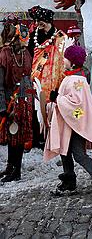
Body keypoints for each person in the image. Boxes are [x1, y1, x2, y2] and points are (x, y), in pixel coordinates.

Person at [44, 44, 92, 202]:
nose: (63, 61)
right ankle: (69, 180)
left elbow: (76, 104)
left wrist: (58, 99)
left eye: (66, 58)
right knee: (65, 151)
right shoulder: (72, 77)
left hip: (75, 125)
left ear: (73, 62)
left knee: (79, 155)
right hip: (68, 124)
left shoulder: (77, 80)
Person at [0, 20, 34, 182]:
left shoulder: (26, 53)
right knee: (11, 135)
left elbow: (28, 77)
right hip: (9, 100)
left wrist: (28, 99)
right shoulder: (4, 54)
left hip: (23, 99)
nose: (27, 40)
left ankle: (16, 170)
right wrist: (2, 105)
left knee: (19, 136)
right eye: (23, 37)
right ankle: (10, 167)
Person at [30, 7, 66, 103]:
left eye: (40, 20)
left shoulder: (59, 37)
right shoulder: (33, 36)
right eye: (36, 20)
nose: (37, 23)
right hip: (37, 75)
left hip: (54, 76)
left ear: (47, 20)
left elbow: (63, 57)